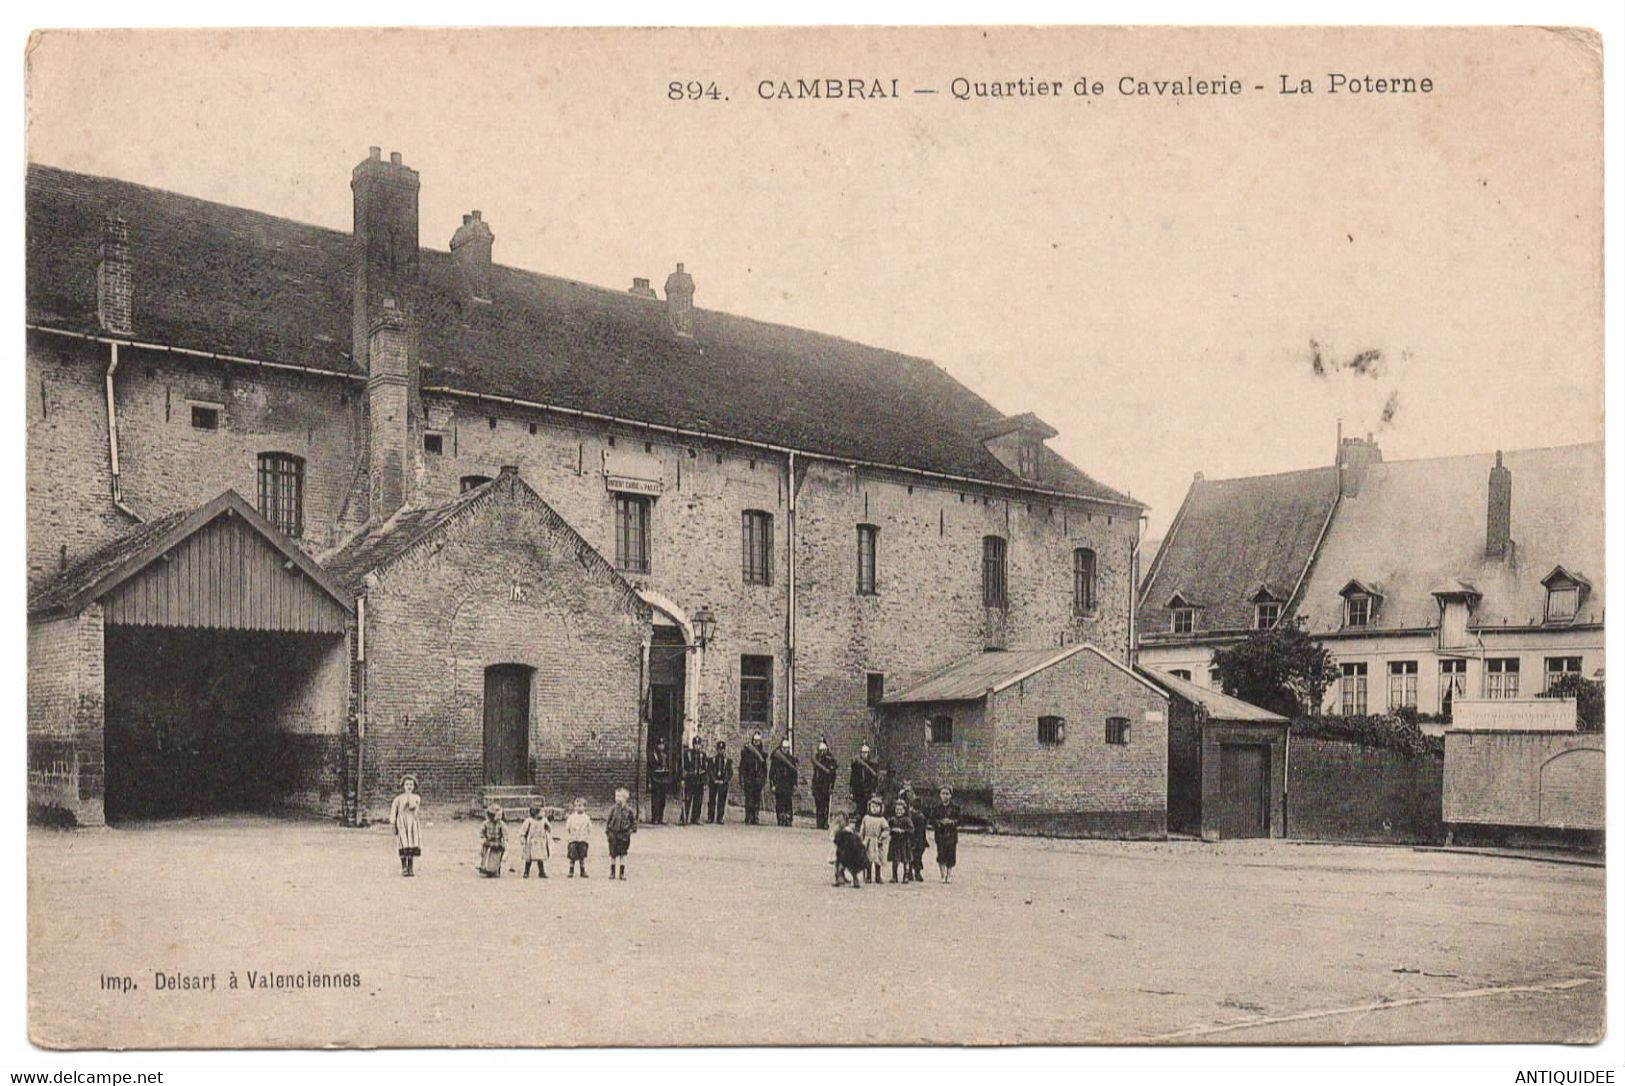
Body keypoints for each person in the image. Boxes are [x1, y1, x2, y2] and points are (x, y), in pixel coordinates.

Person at [389, 774, 422, 877]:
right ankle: (404, 866)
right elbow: (394, 811)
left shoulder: (416, 798)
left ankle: (410, 866)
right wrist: (393, 823)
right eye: (407, 784)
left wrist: (410, 797)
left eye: (411, 784)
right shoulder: (398, 799)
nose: (409, 786)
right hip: (402, 822)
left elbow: (414, 808)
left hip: (412, 823)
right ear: (403, 786)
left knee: (411, 842)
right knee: (403, 843)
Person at [605, 787, 637, 880]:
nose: (617, 798)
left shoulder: (629, 810)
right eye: (616, 796)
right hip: (613, 834)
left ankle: (622, 873)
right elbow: (609, 820)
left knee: (623, 854)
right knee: (613, 854)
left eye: (619, 796)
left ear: (625, 798)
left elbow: (633, 822)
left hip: (624, 835)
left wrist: (630, 832)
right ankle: (612, 872)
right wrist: (608, 832)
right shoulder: (613, 809)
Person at [932, 786, 961, 883]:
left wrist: (951, 822)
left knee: (950, 854)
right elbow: (932, 820)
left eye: (947, 794)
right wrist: (940, 822)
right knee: (941, 854)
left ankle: (949, 875)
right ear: (940, 795)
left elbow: (959, 820)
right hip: (940, 834)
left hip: (951, 835)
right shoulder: (936, 808)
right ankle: (942, 875)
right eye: (943, 793)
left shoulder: (955, 808)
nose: (945, 796)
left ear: (951, 796)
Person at [857, 797, 889, 885]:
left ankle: (878, 876)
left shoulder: (882, 820)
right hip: (867, 840)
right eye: (873, 806)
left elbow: (886, 830)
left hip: (877, 841)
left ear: (881, 808)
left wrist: (881, 838)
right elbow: (862, 829)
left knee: (877, 859)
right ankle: (868, 876)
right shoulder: (866, 818)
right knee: (868, 859)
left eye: (877, 807)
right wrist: (861, 839)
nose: (874, 809)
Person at [831, 812, 866, 890]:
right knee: (838, 866)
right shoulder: (836, 830)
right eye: (838, 820)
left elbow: (853, 841)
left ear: (846, 821)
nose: (839, 822)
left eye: (841, 820)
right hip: (840, 851)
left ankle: (854, 879)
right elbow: (834, 840)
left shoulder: (848, 831)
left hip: (848, 851)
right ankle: (838, 878)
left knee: (850, 866)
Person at [739, 731, 768, 825]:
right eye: (755, 741)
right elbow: (742, 766)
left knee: (756, 798)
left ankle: (755, 816)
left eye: (758, 741)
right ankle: (748, 816)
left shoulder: (762, 754)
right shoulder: (746, 753)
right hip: (749, 778)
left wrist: (763, 779)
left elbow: (764, 768)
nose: (756, 743)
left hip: (758, 779)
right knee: (749, 798)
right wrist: (742, 779)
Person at [810, 738, 839, 829]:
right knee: (818, 805)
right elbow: (815, 773)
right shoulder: (817, 759)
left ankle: (825, 822)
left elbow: (833, 774)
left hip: (825, 785)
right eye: (821, 750)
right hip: (817, 785)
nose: (822, 752)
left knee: (825, 805)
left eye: (824, 750)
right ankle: (819, 823)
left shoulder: (829, 761)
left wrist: (832, 786)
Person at [519, 802, 553, 879]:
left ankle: (541, 872)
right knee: (529, 858)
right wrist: (522, 838)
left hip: (541, 841)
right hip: (531, 842)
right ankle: (526, 871)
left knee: (540, 857)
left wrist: (548, 827)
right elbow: (523, 830)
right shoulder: (529, 821)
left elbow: (549, 828)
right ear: (535, 813)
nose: (543, 813)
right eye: (541, 812)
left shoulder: (544, 820)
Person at [769, 738, 799, 827]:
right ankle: (780, 818)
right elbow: (772, 773)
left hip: (788, 783)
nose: (785, 750)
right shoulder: (776, 759)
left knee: (788, 802)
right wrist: (772, 784)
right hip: (779, 783)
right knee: (779, 802)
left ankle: (788, 818)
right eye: (784, 748)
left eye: (787, 748)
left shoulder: (791, 759)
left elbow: (794, 773)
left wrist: (795, 784)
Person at [886, 796, 915, 884]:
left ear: (904, 810)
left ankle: (906, 876)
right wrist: (892, 830)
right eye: (897, 810)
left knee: (905, 859)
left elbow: (911, 830)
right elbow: (887, 828)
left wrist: (903, 831)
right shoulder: (892, 819)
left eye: (901, 810)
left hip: (904, 843)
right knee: (895, 859)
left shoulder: (907, 820)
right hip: (895, 842)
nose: (898, 812)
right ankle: (894, 876)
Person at [681, 735, 708, 826]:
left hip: (699, 780)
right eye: (695, 744)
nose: (697, 746)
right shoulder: (687, 754)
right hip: (690, 780)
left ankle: (695, 818)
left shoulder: (702, 755)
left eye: (698, 744)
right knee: (687, 799)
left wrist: (704, 781)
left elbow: (704, 768)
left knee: (698, 800)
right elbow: (684, 767)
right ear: (693, 745)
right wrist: (684, 778)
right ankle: (684, 818)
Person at [904, 784, 929, 882]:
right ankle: (912, 872)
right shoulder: (911, 815)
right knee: (913, 856)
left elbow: (921, 830)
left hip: (917, 839)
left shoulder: (919, 817)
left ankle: (915, 872)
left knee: (916, 856)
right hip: (915, 839)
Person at [564, 797, 593, 877]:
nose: (578, 808)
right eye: (576, 806)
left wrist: (586, 836)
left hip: (582, 840)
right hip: (573, 839)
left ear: (584, 807)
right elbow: (568, 827)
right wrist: (571, 835)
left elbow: (589, 828)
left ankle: (582, 871)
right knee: (572, 856)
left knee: (582, 856)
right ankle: (571, 871)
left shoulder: (586, 818)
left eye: (580, 806)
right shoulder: (571, 817)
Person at [707, 739, 733, 823]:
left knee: (721, 801)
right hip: (714, 783)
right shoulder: (713, 760)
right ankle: (710, 817)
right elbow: (710, 770)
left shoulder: (727, 761)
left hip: (722, 783)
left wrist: (724, 781)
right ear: (717, 750)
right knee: (712, 800)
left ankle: (720, 818)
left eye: (722, 749)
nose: (720, 751)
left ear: (724, 750)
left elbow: (730, 773)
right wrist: (714, 779)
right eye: (719, 749)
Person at [849, 743, 879, 816]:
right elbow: (853, 778)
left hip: (868, 789)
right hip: (859, 789)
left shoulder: (872, 765)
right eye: (863, 753)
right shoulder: (856, 765)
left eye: (865, 753)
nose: (864, 754)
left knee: (867, 807)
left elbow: (875, 778)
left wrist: (874, 790)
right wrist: (851, 791)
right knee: (859, 808)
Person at [648, 738, 673, 825]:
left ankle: (660, 818)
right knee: (655, 800)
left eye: (662, 745)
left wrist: (665, 771)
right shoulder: (653, 755)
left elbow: (666, 767)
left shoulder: (664, 756)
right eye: (660, 745)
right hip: (655, 780)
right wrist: (650, 781)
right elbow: (650, 769)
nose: (661, 746)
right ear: (657, 745)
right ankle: (654, 818)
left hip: (663, 780)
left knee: (662, 800)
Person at [477, 804, 506, 878]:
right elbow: (481, 833)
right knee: (485, 855)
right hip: (488, 842)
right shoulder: (486, 823)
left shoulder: (501, 824)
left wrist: (503, 842)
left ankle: (495, 870)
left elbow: (505, 835)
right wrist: (483, 839)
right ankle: (484, 868)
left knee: (496, 857)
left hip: (497, 842)